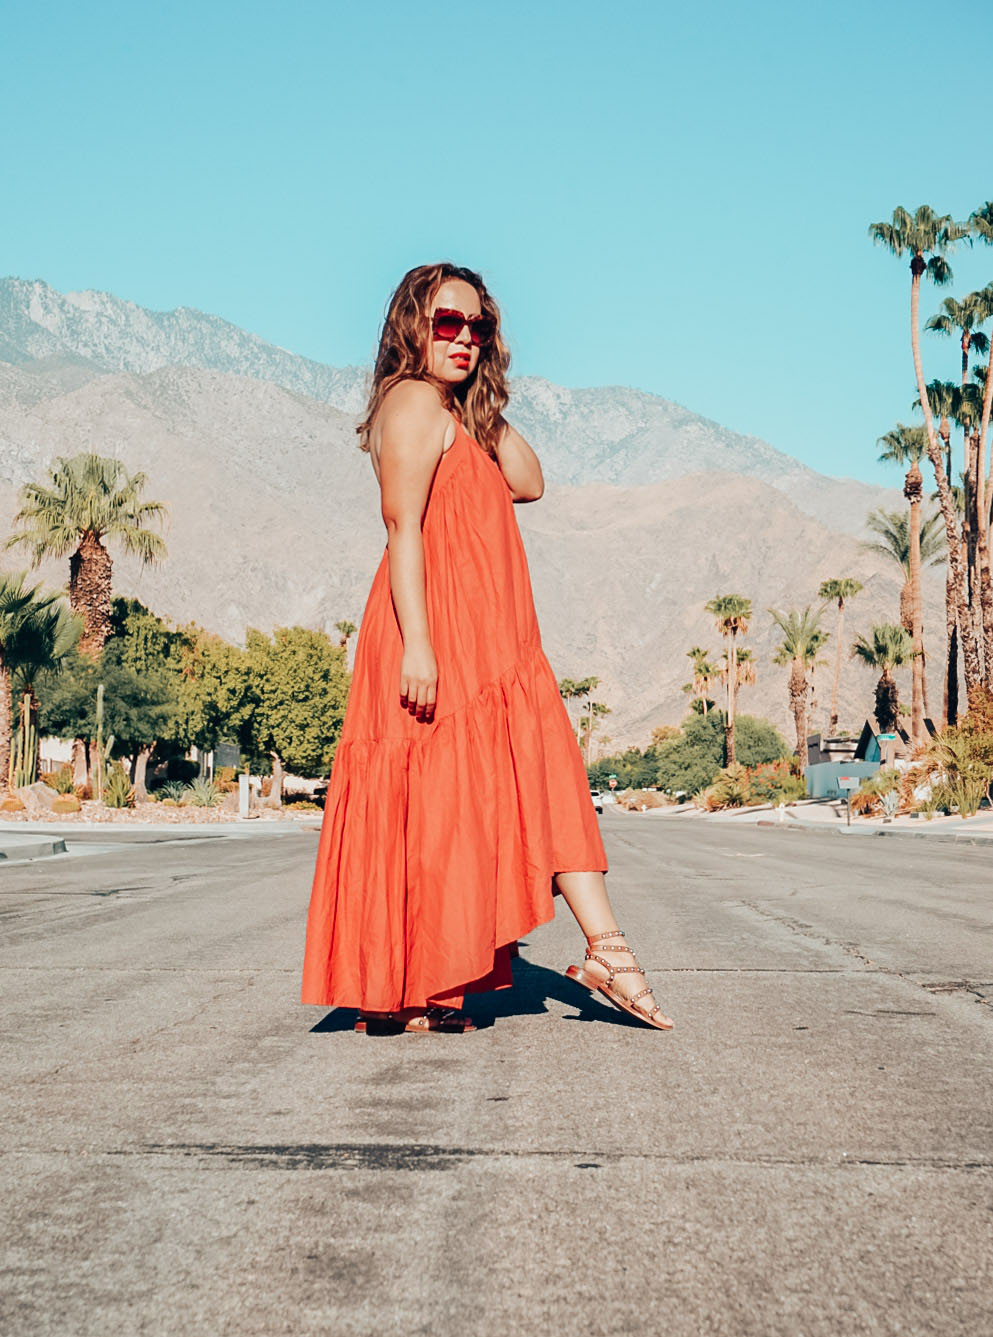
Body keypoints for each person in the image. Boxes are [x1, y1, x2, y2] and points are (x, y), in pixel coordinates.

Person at [301, 262, 672, 1034]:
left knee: (465, 803)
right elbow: (402, 530)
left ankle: (432, 985)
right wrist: (420, 648)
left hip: (490, 636)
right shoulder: (408, 403)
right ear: (412, 325)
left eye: (477, 328)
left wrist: (481, 405)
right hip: (433, 632)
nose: (463, 338)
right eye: (446, 323)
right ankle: (602, 948)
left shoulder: (453, 412)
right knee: (447, 799)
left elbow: (530, 482)